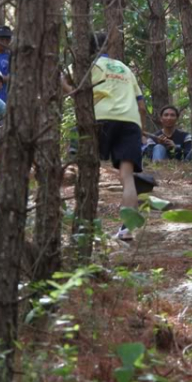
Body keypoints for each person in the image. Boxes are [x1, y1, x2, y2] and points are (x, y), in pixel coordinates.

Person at [62, 32, 147, 241]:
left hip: (100, 119)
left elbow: (75, 93)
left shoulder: (87, 67)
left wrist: (62, 82)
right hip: (130, 121)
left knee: (82, 167)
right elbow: (141, 105)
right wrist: (141, 130)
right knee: (127, 178)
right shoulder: (125, 68)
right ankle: (127, 229)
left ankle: (78, 223)